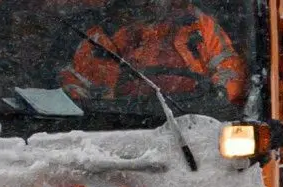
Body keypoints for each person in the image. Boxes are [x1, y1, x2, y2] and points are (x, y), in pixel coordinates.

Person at [59, 0, 247, 108]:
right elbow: (74, 83)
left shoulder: (198, 28)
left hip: (192, 123)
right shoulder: (104, 38)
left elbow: (229, 72)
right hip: (123, 125)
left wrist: (216, 101)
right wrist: (99, 107)